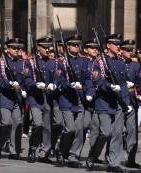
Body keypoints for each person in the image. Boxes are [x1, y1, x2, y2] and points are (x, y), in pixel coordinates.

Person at [86, 33, 132, 172]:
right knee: (105, 133)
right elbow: (97, 81)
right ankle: (93, 154)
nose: (118, 46)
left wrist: (127, 102)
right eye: (116, 44)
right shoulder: (99, 62)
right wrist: (109, 86)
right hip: (104, 101)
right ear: (108, 45)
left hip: (118, 101)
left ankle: (114, 163)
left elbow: (123, 84)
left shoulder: (121, 63)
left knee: (117, 133)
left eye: (119, 44)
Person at [55, 34, 93, 168]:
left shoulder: (84, 61)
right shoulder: (61, 62)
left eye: (78, 45)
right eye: (74, 45)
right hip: (67, 99)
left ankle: (73, 156)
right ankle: (61, 150)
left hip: (80, 99)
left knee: (79, 129)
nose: (77, 47)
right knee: (70, 129)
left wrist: (89, 92)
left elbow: (88, 79)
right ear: (68, 47)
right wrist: (69, 85)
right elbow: (59, 81)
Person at [25, 37, 56, 164]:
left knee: (47, 128)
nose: (47, 50)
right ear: (38, 48)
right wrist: (34, 84)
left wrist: (55, 85)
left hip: (47, 97)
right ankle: (32, 148)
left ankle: (44, 153)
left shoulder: (52, 62)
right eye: (44, 47)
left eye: (49, 47)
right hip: (35, 98)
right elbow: (26, 80)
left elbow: (56, 78)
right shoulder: (30, 62)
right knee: (37, 124)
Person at [0, 38, 25, 160]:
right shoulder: (0, 63)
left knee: (17, 123)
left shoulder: (22, 63)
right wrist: (8, 83)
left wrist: (23, 87)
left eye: (18, 48)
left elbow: (25, 77)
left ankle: (14, 151)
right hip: (5, 96)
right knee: (6, 123)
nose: (17, 50)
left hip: (17, 97)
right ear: (7, 50)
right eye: (14, 48)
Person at [120, 39, 141, 168]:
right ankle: (111, 156)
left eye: (131, 50)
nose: (130, 52)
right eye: (128, 50)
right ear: (121, 51)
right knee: (116, 131)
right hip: (119, 99)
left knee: (132, 131)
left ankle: (130, 158)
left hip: (131, 100)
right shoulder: (116, 64)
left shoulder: (135, 66)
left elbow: (139, 83)